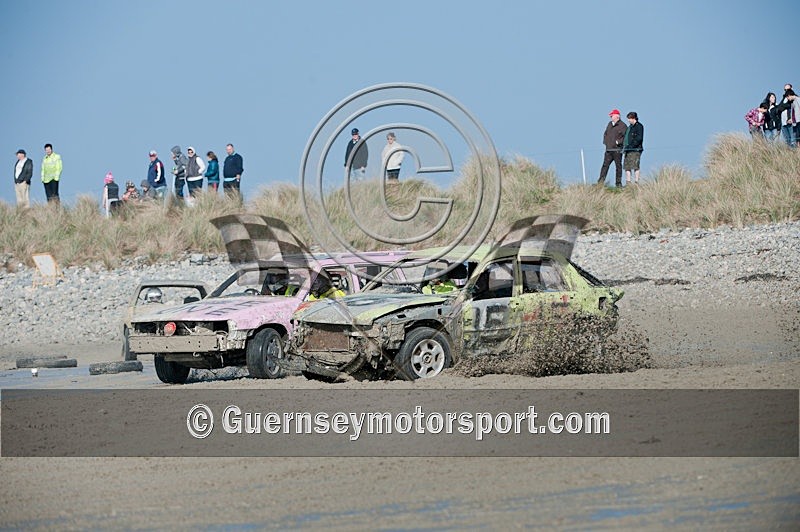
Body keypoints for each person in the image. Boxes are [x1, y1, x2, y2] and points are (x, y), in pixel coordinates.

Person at [597, 110, 627, 187]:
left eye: (612, 115)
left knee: (618, 167)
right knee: (605, 166)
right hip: (608, 149)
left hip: (617, 150)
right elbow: (605, 133)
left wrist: (618, 142)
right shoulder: (609, 124)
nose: (610, 117)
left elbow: (625, 137)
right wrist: (605, 142)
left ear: (617, 116)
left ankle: (618, 183)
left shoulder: (623, 125)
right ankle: (600, 183)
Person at [623, 112, 644, 185]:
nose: (628, 120)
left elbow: (639, 138)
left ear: (633, 118)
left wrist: (631, 146)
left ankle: (636, 182)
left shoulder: (639, 126)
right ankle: (628, 182)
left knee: (635, 166)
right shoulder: (630, 127)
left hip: (636, 150)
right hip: (627, 150)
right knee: (627, 166)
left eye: (629, 119)